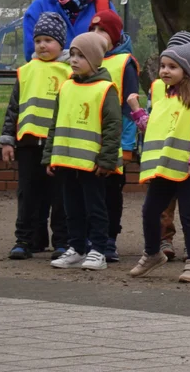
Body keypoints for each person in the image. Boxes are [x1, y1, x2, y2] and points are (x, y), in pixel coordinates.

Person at [127, 40, 190, 283]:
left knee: (188, 214)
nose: (165, 71)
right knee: (150, 210)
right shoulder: (161, 96)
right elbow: (152, 128)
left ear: (186, 70)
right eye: (163, 66)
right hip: (164, 166)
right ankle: (153, 253)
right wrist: (136, 110)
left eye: (172, 67)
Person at [44, 33, 122, 271]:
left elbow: (113, 126)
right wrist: (50, 156)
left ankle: (97, 250)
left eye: (81, 56)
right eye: (73, 54)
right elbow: (55, 123)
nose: (74, 60)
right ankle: (76, 248)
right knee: (72, 208)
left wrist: (106, 160)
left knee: (96, 209)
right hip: (67, 162)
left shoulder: (105, 88)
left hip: (93, 165)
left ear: (96, 60)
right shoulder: (66, 86)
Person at [0, 12, 71, 261]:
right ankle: (24, 240)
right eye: (38, 40)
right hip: (28, 143)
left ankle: (62, 241)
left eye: (48, 40)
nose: (42, 45)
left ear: (61, 43)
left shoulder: (69, 71)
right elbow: (13, 108)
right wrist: (7, 139)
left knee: (59, 195)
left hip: (59, 145)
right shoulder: (25, 71)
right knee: (28, 193)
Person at [88, 9, 140, 263]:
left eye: (103, 31)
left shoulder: (124, 63)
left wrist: (127, 146)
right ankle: (91, 236)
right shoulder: (86, 59)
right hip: (89, 142)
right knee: (91, 192)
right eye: (93, 30)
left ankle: (110, 238)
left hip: (116, 143)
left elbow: (130, 108)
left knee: (111, 192)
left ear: (115, 36)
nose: (96, 35)